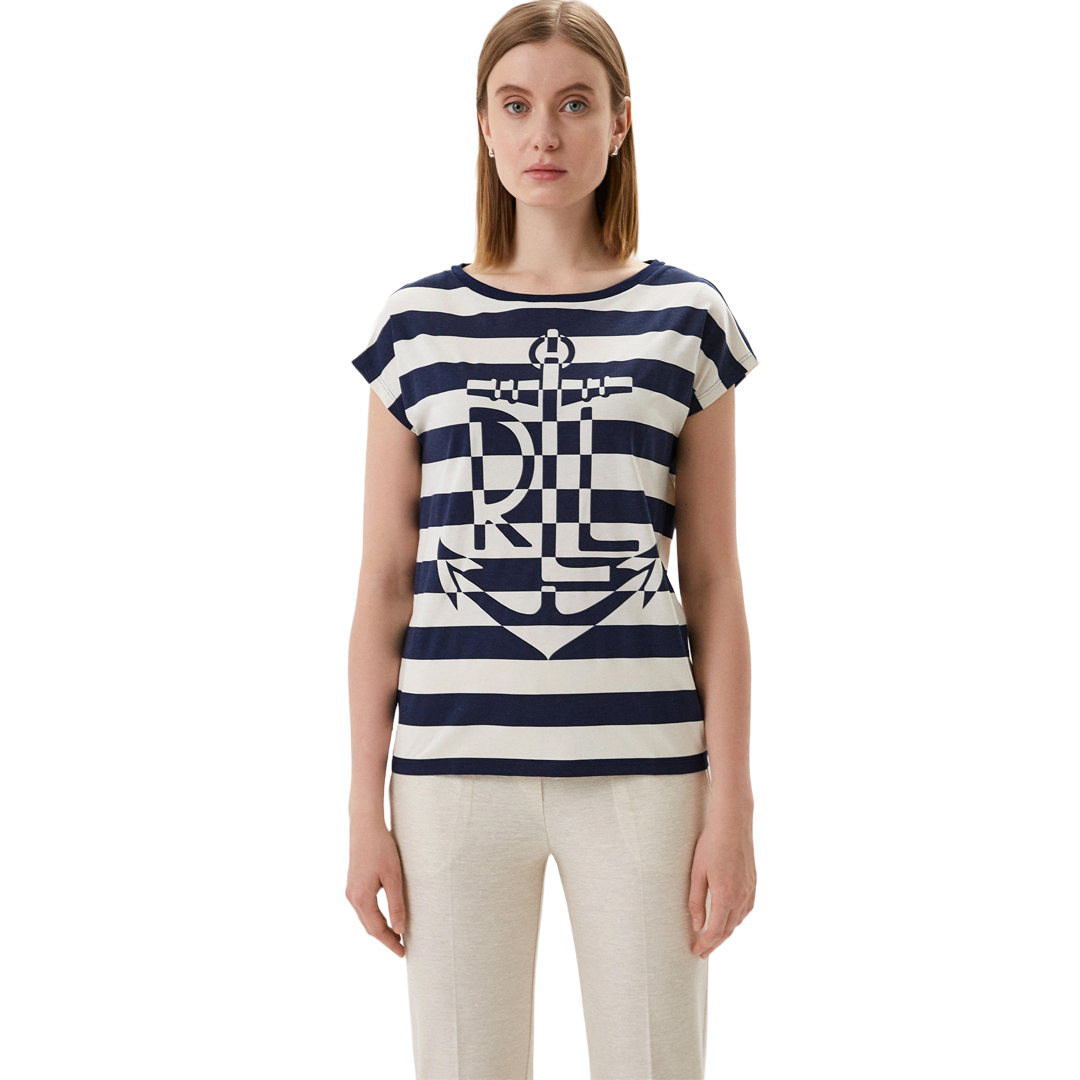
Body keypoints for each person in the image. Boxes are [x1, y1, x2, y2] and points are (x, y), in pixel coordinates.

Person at [345, 3, 758, 1077]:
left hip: (645, 775)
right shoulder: (414, 326)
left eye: (575, 104)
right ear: (482, 125)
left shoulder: (687, 318)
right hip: (450, 778)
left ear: (620, 123)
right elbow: (385, 582)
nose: (545, 134)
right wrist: (362, 809)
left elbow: (713, 580)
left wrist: (733, 804)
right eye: (517, 105)